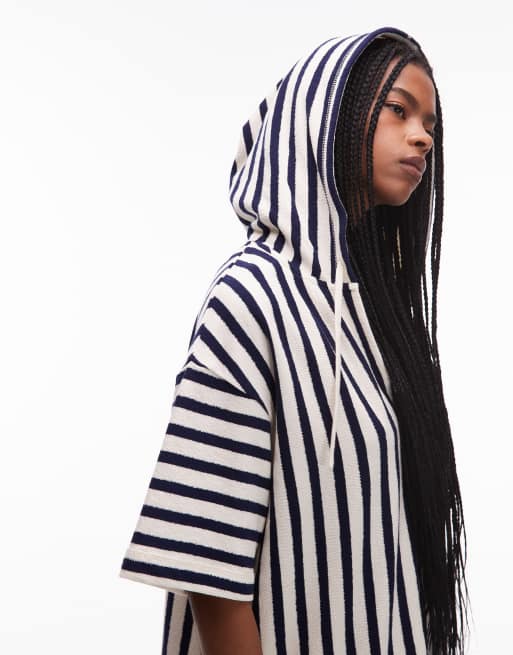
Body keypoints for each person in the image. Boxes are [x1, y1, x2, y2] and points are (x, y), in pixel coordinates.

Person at [119, 25, 472, 655]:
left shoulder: (376, 317)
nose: (422, 136)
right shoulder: (249, 296)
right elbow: (208, 567)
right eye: (398, 110)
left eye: (430, 125)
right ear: (325, 119)